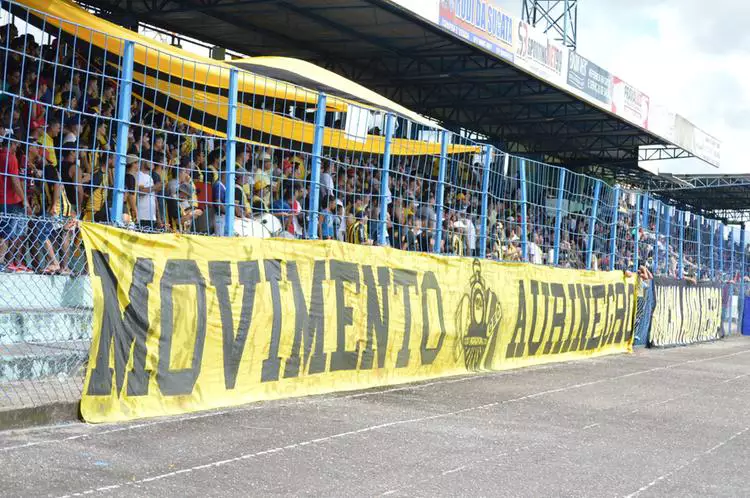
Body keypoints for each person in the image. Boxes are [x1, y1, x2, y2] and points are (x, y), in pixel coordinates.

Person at [0, 139, 31, 272]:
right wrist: (25, 201)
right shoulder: (10, 158)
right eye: (16, 144)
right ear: (11, 144)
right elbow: (15, 181)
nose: (17, 147)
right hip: (9, 201)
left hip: (2, 199)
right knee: (6, 234)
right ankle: (1, 262)